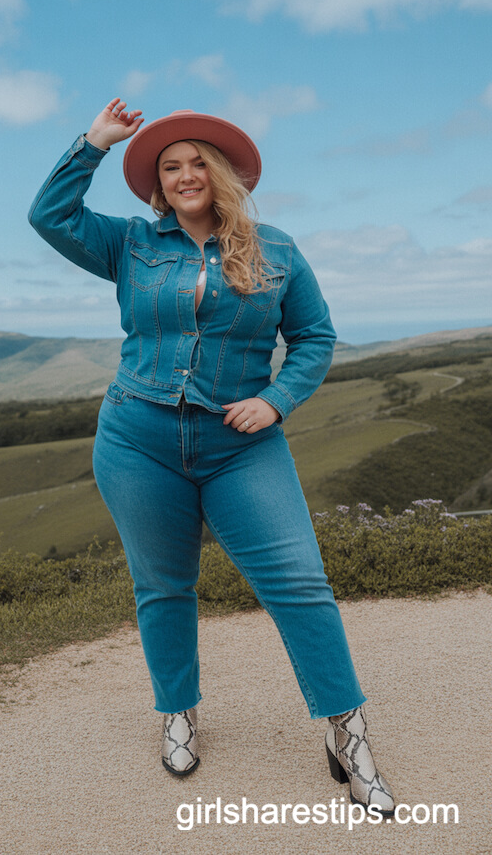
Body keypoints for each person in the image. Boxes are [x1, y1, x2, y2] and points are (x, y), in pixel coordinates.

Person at [28, 98, 395, 816]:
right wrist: (93, 144)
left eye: (199, 162)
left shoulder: (278, 250)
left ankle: (348, 736)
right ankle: (179, 712)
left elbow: (316, 338)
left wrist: (278, 399)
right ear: (158, 186)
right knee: (164, 586)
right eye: (171, 166)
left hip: (242, 446)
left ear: (223, 174)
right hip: (138, 440)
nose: (186, 173)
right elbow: (50, 216)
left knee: (300, 583)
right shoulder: (129, 244)